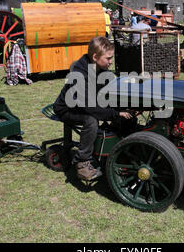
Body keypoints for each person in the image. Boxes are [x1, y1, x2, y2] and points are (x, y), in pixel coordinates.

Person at [53, 37, 132, 181]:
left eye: (111, 58)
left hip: (88, 103)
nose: (110, 61)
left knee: (119, 106)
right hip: (67, 109)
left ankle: (122, 144)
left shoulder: (100, 68)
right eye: (108, 58)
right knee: (91, 121)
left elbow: (113, 87)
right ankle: (82, 163)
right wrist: (114, 114)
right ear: (95, 57)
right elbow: (90, 108)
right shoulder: (79, 73)